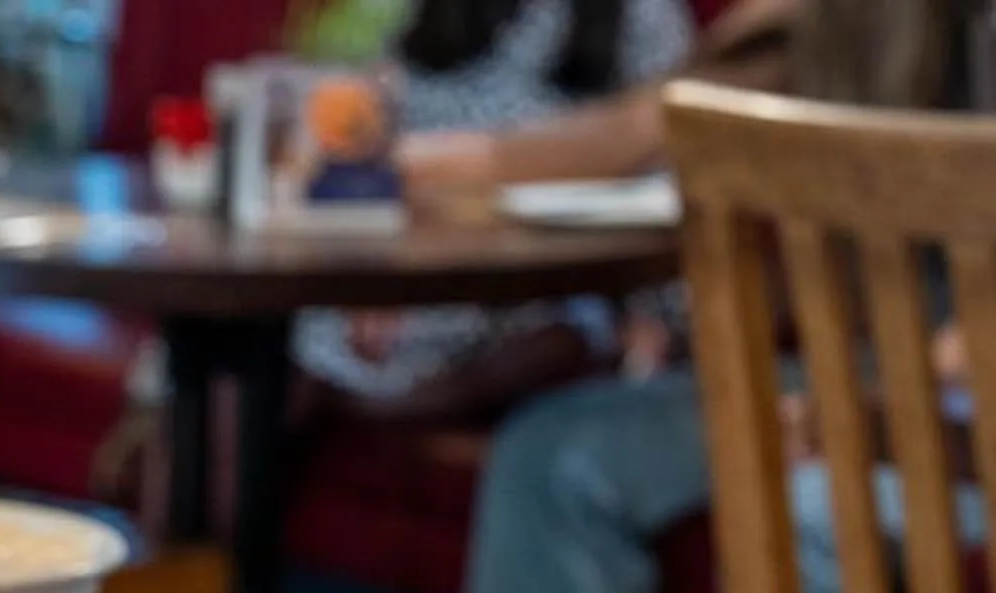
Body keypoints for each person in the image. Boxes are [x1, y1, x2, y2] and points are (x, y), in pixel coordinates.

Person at [443, 0, 996, 593]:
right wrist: (415, 167)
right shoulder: (802, 29)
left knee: (811, 507)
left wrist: (865, 411)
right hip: (836, 369)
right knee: (555, 454)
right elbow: (644, 128)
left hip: (991, 396)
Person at [290, 0, 700, 426]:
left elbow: (657, 147)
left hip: (558, 284)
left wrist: (423, 169)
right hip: (419, 276)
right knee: (285, 343)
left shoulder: (641, 18)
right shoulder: (428, 18)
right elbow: (362, 132)